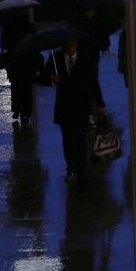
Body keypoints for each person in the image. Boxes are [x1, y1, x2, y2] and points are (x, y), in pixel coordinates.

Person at [41, 39, 100, 190]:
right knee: (68, 139)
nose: (71, 48)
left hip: (82, 105)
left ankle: (81, 172)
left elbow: (93, 82)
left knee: (80, 140)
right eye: (68, 45)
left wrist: (99, 103)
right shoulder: (56, 58)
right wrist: (52, 80)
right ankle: (71, 166)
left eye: (73, 45)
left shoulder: (85, 58)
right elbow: (42, 78)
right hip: (64, 106)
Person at [0, 12, 40, 120]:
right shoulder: (30, 27)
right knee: (27, 88)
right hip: (28, 62)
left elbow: (3, 44)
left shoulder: (8, 27)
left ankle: (16, 109)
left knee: (16, 87)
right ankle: (26, 112)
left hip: (14, 62)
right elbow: (36, 42)